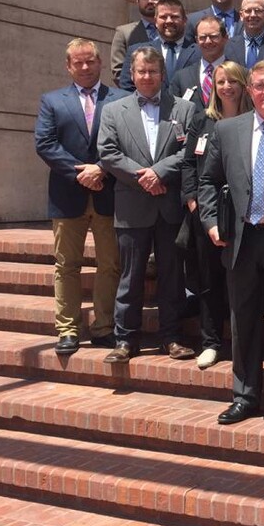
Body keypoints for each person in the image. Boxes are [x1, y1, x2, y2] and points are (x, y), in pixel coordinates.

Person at [197, 60, 264, 428]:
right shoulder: (227, 130)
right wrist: (211, 221)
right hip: (241, 240)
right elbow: (207, 181)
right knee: (242, 321)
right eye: (258, 86)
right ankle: (244, 396)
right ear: (249, 91)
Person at [98, 46, 196, 363]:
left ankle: (171, 337)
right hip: (132, 206)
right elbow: (108, 153)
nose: (147, 76)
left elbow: (191, 152)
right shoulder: (114, 110)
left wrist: (159, 173)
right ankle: (125, 340)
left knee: (172, 276)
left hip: (168, 205)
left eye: (153, 71)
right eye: (141, 71)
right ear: (132, 74)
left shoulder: (184, 109)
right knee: (130, 276)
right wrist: (143, 177)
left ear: (162, 74)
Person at [35, 38, 127, 354]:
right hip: (67, 195)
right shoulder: (52, 100)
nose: (85, 67)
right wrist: (82, 174)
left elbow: (126, 142)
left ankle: (103, 327)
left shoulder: (120, 99)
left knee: (110, 264)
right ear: (68, 66)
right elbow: (45, 144)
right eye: (79, 62)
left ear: (100, 62)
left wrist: (101, 168)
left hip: (108, 192)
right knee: (66, 265)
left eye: (90, 61)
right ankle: (68, 329)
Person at [181, 60, 252, 369]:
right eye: (221, 81)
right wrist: (193, 202)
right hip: (208, 215)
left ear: (242, 85)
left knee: (243, 281)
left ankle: (242, 342)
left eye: (233, 81)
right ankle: (211, 342)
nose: (227, 87)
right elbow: (187, 164)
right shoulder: (202, 122)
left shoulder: (255, 120)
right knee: (210, 279)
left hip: (246, 215)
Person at [120, 0, 198, 92]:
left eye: (174, 16)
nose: (169, 21)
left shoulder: (199, 52)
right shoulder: (136, 50)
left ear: (185, 20)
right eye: (163, 17)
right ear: (155, 21)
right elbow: (127, 88)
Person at [169, 16, 228, 114]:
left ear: (225, 38)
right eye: (203, 37)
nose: (208, 41)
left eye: (213, 36)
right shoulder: (181, 77)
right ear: (196, 40)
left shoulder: (240, 75)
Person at [110, 0, 163, 85]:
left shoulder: (171, 31)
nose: (150, 1)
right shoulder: (124, 32)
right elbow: (118, 71)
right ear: (137, 2)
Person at [224, 0, 264, 68]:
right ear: (241, 15)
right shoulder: (228, 46)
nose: (253, 15)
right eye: (248, 11)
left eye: (258, 10)